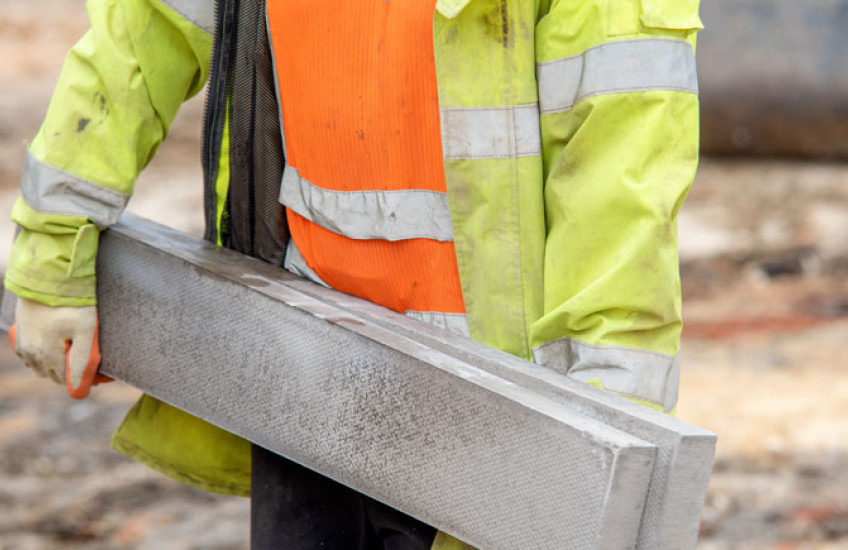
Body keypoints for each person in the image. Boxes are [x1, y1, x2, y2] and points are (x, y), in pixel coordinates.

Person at [6, 0, 702, 547]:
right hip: (309, 385)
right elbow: (145, 29)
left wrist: (604, 477)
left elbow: (620, 196)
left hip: (493, 425)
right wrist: (54, 243)